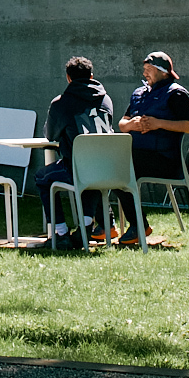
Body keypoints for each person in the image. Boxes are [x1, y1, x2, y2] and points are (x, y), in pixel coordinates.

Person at [118, 51, 189, 243]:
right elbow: (122, 124)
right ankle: (129, 224)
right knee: (113, 166)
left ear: (163, 72)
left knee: (121, 168)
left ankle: (138, 226)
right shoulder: (139, 93)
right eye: (144, 69)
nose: (145, 73)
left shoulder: (176, 93)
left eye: (149, 69)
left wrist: (159, 123)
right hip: (138, 156)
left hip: (165, 160)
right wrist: (132, 125)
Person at [35, 56, 115, 247]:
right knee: (91, 173)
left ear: (68, 78)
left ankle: (60, 232)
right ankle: (85, 227)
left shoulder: (61, 103)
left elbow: (50, 135)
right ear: (91, 76)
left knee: (42, 177)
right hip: (107, 168)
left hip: (78, 168)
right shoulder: (106, 100)